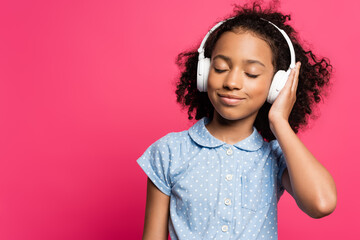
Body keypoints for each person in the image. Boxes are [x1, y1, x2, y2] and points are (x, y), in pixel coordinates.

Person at [137, 2, 337, 239]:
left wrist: (280, 121)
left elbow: (322, 203)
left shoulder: (276, 157)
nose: (231, 82)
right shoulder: (169, 151)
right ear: (204, 71)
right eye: (220, 67)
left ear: (277, 85)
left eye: (251, 73)